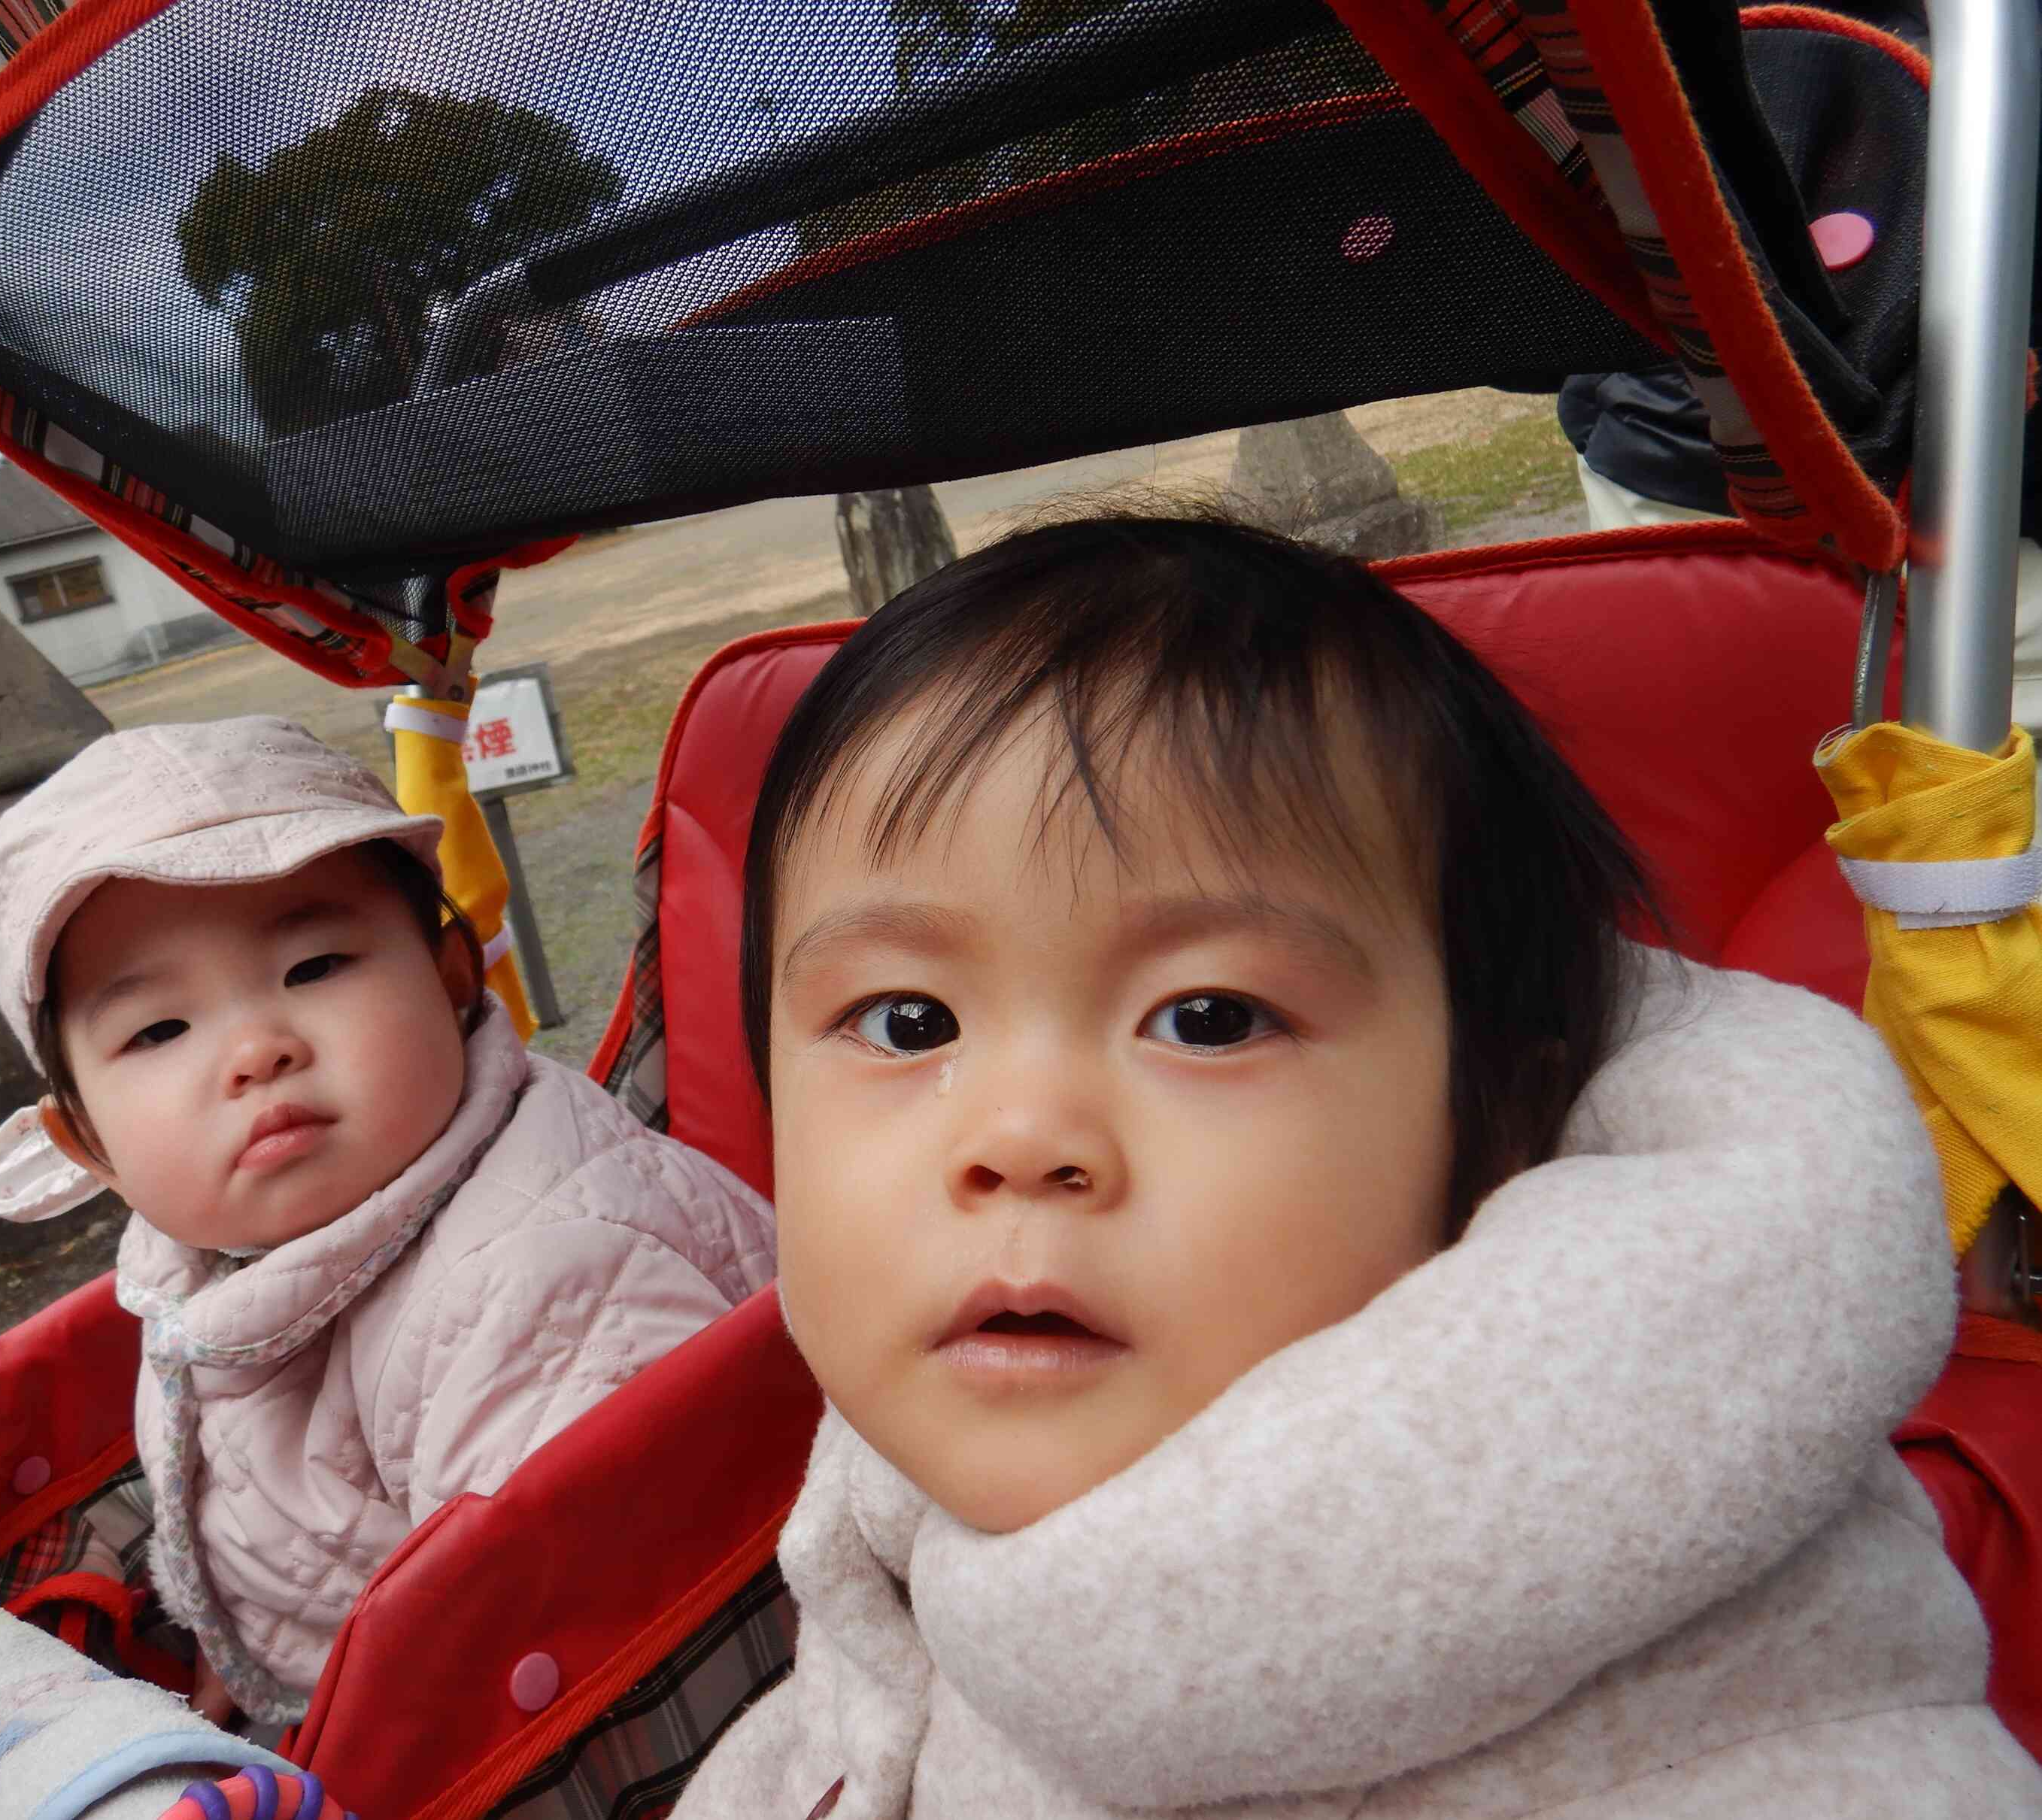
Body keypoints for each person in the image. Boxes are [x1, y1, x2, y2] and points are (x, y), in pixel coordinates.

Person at [675, 514, 2040, 1816]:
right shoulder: (894, 1465)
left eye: (1207, 1020)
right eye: (908, 1022)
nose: (1016, 1142)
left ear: (1495, 1112)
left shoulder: (1769, 1743)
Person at [0, 717, 776, 1726]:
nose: (255, 1048)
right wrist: (250, 1660)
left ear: (450, 978)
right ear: (89, 1145)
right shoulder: (205, 1254)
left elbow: (605, 1677)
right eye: (159, 1028)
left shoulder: (548, 1296)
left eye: (314, 968)